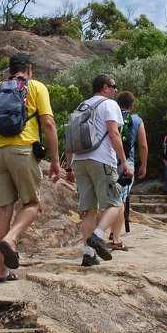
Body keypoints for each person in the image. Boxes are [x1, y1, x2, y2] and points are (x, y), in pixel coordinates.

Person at [0, 53, 60, 283]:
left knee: (4, 209)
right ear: (29, 69)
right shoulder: (36, 87)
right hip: (22, 149)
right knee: (32, 203)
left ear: (9, 71)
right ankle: (12, 238)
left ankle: (0, 270)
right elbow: (48, 122)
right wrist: (55, 159)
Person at [66, 74, 133, 267]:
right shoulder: (109, 105)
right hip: (101, 159)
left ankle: (88, 254)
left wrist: (69, 166)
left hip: (80, 161)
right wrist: (125, 163)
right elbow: (113, 133)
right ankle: (97, 235)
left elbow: (70, 137)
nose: (115, 90)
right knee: (116, 203)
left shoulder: (82, 106)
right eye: (114, 86)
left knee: (89, 210)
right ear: (105, 87)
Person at [108, 91, 146, 251]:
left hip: (109, 160)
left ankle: (112, 231)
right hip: (126, 163)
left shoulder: (111, 117)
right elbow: (143, 145)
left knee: (111, 197)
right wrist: (143, 164)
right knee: (121, 199)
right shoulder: (137, 120)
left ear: (117, 104)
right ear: (132, 105)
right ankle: (116, 238)